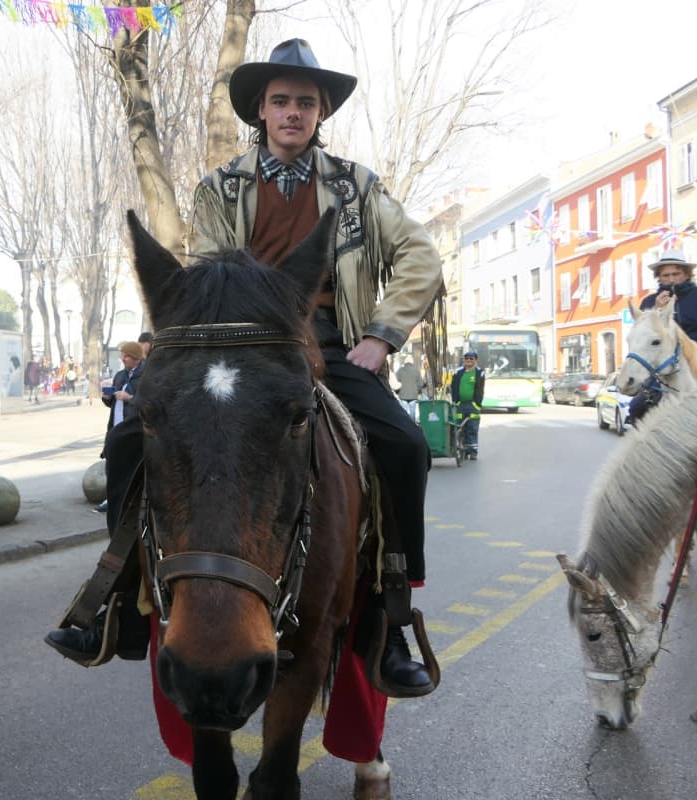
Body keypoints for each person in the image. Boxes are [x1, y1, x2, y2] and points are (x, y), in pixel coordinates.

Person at [48, 40, 443, 695]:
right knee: (128, 439)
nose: (293, 112)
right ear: (260, 110)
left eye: (306, 103)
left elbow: (420, 257)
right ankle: (120, 598)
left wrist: (381, 335)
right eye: (281, 100)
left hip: (332, 343)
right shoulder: (220, 187)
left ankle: (389, 614)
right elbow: (207, 274)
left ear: (321, 113)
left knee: (405, 446)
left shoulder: (358, 187)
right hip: (240, 345)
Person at [627, 250, 697, 425]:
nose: (671, 279)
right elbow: (644, 340)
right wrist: (656, 310)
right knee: (637, 407)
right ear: (659, 277)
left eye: (676, 274)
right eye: (666, 275)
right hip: (662, 371)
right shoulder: (649, 302)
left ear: (687, 274)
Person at [91, 340, 146, 515]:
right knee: (112, 464)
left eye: (126, 356)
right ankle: (112, 500)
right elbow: (114, 403)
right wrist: (107, 398)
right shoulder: (120, 375)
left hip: (134, 429)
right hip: (116, 427)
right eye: (122, 355)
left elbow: (149, 403)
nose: (122, 358)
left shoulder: (146, 375)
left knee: (132, 467)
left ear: (136, 358)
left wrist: (129, 398)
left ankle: (131, 502)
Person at [450, 351, 485, 460]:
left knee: (472, 429)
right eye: (466, 358)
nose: (468, 360)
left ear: (475, 360)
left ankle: (473, 452)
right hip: (460, 405)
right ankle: (464, 451)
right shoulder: (458, 372)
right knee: (461, 429)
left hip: (473, 406)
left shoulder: (479, 372)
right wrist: (456, 401)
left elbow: (480, 389)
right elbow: (453, 386)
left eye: (471, 358)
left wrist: (477, 404)